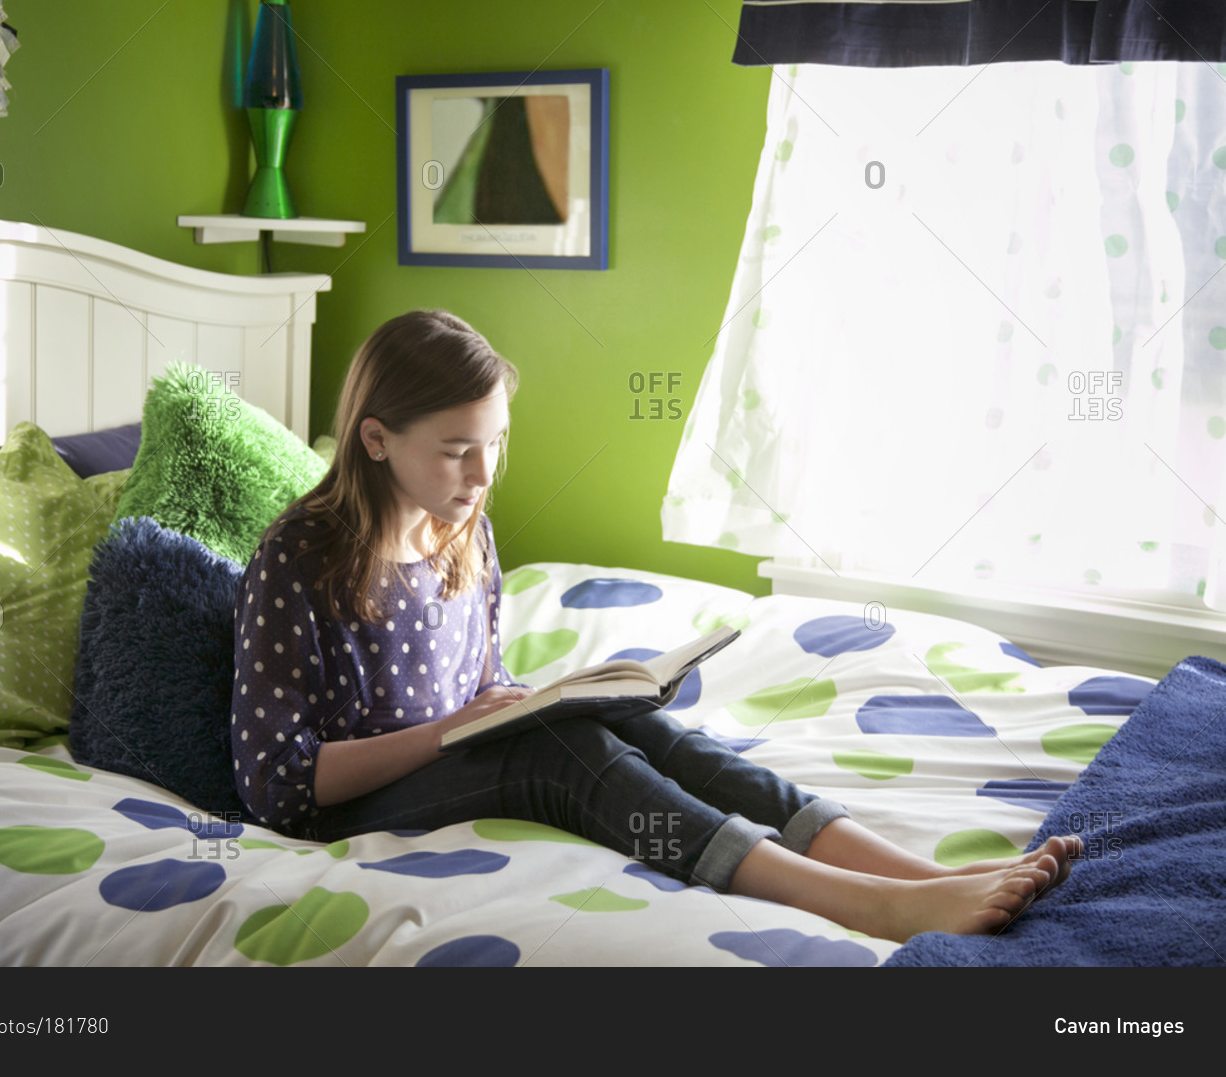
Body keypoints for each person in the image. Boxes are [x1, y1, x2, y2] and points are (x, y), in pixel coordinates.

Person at [230, 309, 1081, 943]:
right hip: (345, 806)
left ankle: (917, 874)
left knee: (629, 724)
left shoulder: (463, 526)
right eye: (457, 449)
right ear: (376, 440)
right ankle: (864, 905)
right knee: (565, 759)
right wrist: (456, 732)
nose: (483, 473)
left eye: (495, 442)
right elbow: (278, 783)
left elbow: (478, 678)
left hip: (449, 750)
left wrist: (534, 699)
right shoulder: (297, 558)